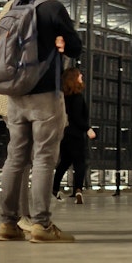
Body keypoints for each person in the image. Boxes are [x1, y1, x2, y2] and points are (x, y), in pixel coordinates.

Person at [0, 0, 82, 243]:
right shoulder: (52, 8)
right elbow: (75, 47)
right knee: (45, 158)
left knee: (15, 157)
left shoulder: (13, 7)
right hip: (45, 94)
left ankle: (8, 224)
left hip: (16, 95)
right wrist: (61, 40)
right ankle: (42, 225)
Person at [0, 0, 33, 234]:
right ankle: (17, 217)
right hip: (19, 93)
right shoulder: (23, 10)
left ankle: (13, 218)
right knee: (20, 157)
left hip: (10, 91)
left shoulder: (11, 8)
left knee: (19, 156)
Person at [52, 68, 97, 204]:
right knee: (80, 163)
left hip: (64, 133)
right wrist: (87, 128)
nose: (81, 76)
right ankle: (78, 189)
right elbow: (77, 117)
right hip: (76, 134)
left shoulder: (62, 97)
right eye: (79, 75)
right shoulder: (77, 97)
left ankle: (54, 189)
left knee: (64, 163)